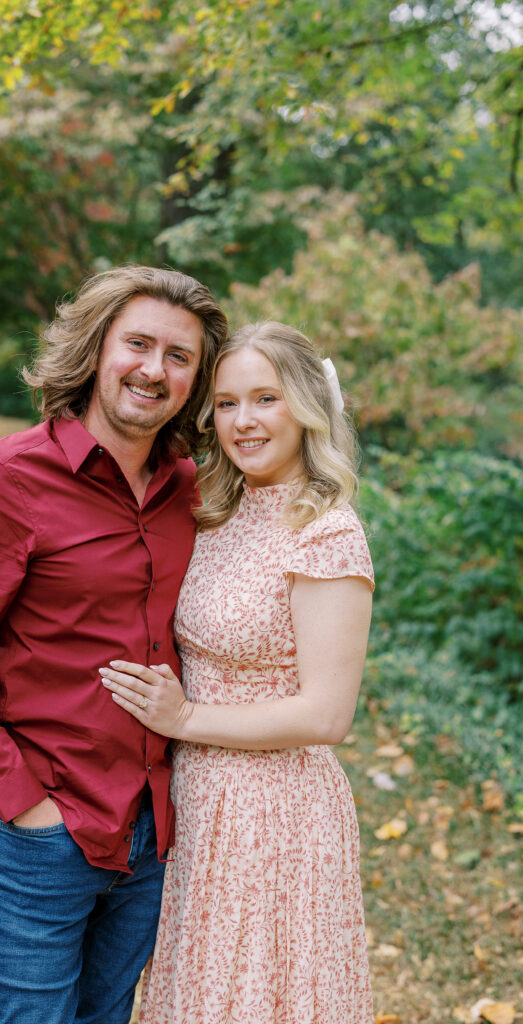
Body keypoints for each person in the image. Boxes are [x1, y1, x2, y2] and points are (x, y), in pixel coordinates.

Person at [0, 265, 228, 1024]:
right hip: (41, 832)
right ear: (94, 350)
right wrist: (25, 806)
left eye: (179, 357)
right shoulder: (4, 480)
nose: (154, 369)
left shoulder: (193, 490)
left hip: (154, 832)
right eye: (137, 344)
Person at [99, 321, 375, 1024]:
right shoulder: (217, 508)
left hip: (275, 812)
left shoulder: (325, 531)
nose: (242, 422)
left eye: (264, 399)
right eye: (224, 403)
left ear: (307, 406)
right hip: (197, 802)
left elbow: (326, 715)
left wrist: (186, 718)